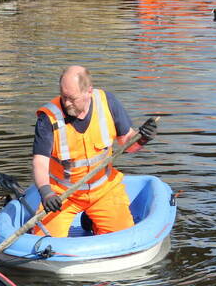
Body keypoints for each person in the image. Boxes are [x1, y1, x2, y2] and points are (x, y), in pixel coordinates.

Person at [32, 65, 157, 237]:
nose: (66, 103)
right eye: (63, 96)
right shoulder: (48, 118)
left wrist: (142, 138)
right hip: (63, 195)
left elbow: (129, 146)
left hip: (103, 190)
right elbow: (40, 162)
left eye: (72, 98)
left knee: (122, 237)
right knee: (44, 240)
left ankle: (91, 219)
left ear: (88, 92)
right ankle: (87, 217)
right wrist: (46, 193)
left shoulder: (108, 103)